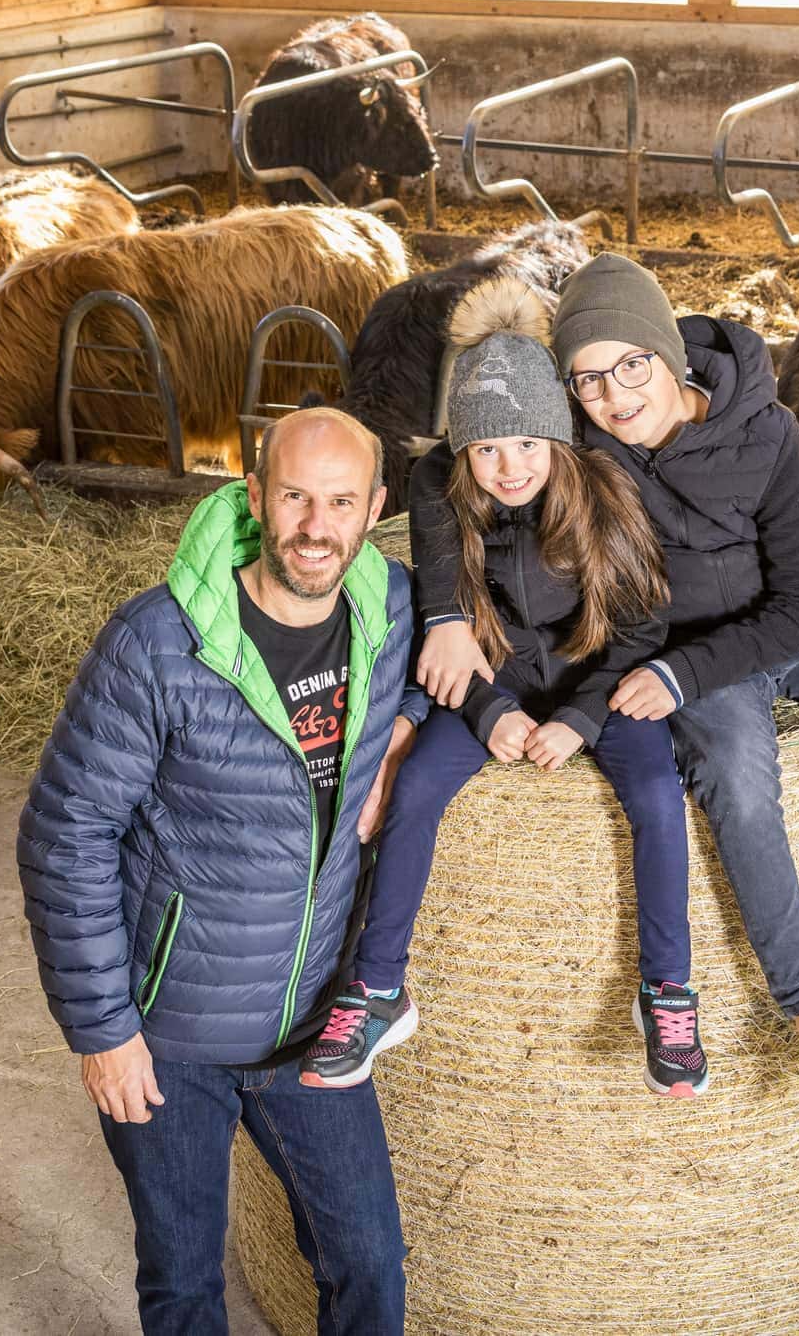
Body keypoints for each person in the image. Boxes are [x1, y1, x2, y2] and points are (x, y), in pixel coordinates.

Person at [428, 252, 799, 1161]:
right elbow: (444, 472)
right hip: (675, 654)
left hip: (790, 629)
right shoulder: (578, 442)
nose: (611, 395)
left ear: (667, 355)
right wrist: (446, 611)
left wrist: (682, 677)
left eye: (629, 365)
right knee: (741, 782)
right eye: (586, 379)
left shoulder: (768, 431)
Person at [17, 408, 426, 1336]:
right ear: (252, 496)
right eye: (293, 497)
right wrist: (103, 1031)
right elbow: (64, 833)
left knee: (369, 1260)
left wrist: (404, 728)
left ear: (373, 510)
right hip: (168, 1040)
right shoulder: (158, 644)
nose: (315, 527)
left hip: (316, 1029)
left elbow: (461, 669)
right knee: (183, 1280)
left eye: (339, 501)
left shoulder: (393, 607)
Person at [302, 275, 707, 1097]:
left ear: (558, 438)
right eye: (486, 448)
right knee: (413, 788)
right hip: (491, 683)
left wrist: (583, 721)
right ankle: (378, 986)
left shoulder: (603, 491)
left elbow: (642, 627)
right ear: (462, 452)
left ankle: (666, 988)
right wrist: (488, 711)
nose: (508, 466)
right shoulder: (447, 495)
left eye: (526, 445)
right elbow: (440, 612)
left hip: (603, 680)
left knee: (659, 800)